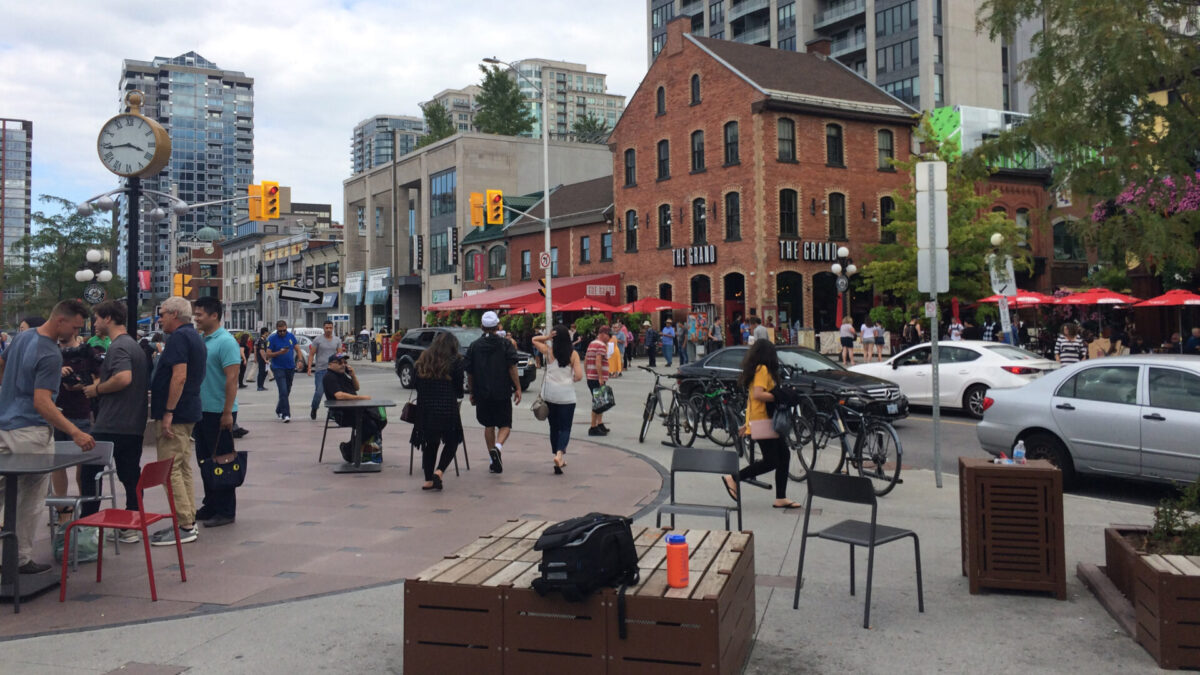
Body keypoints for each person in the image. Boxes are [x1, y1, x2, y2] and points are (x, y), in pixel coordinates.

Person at [0, 300, 96, 575]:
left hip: (5, 424)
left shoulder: (22, 337)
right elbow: (42, 402)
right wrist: (76, 431)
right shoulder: (52, 354)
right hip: (31, 430)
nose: (78, 332)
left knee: (4, 490)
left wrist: (6, 397)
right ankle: (18, 558)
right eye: (76, 326)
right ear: (60, 321)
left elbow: (1, 364)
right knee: (30, 497)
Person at [82, 300, 148, 542]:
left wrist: (97, 390)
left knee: (90, 474)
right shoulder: (134, 345)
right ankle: (132, 525)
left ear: (108, 318)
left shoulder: (119, 347)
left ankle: (87, 528)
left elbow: (123, 378)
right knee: (131, 476)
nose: (94, 322)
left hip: (112, 424)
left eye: (97, 318)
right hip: (133, 424)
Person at [148, 296, 206, 547]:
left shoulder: (180, 338)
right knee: (181, 467)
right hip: (188, 410)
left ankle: (184, 525)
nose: (159, 319)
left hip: (178, 412)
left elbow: (179, 376)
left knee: (170, 469)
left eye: (162, 314)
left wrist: (168, 411)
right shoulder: (194, 337)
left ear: (174, 314)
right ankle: (187, 519)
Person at [722, 339, 801, 509]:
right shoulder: (763, 369)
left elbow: (751, 399)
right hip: (764, 420)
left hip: (760, 419)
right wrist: (780, 396)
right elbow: (758, 395)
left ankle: (780, 497)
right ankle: (734, 477)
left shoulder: (756, 369)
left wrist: (747, 423)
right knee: (771, 461)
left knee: (783, 455)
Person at [186, 298, 241, 528]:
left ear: (214, 315)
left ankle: (226, 510)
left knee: (223, 461)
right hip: (202, 411)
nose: (196, 318)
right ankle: (211, 504)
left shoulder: (226, 342)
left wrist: (227, 412)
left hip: (219, 412)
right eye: (195, 314)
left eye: (199, 314)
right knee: (205, 461)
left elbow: (232, 379)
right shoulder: (203, 340)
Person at [48, 327, 100, 520]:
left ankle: (85, 510)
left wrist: (80, 384)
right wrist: (57, 371)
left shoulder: (87, 351)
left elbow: (99, 378)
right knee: (57, 465)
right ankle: (63, 510)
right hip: (55, 413)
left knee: (83, 467)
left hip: (80, 413)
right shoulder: (51, 351)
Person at [464, 311, 521, 473]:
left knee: (488, 424)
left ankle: (492, 457)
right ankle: (498, 447)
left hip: (482, 392)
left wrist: (472, 391)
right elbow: (512, 367)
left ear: (482, 327)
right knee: (505, 424)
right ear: (497, 326)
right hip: (502, 390)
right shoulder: (505, 344)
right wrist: (517, 387)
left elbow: (470, 372)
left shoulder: (474, 346)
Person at [413, 332, 465, 490]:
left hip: (425, 408)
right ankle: (439, 471)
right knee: (452, 440)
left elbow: (416, 383)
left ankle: (428, 479)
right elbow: (458, 389)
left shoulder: (424, 358)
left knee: (431, 442)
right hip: (447, 407)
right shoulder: (455, 361)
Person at [532, 324, 584, 474]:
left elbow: (534, 339)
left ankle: (557, 455)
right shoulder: (573, 354)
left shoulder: (549, 351)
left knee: (553, 427)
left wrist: (547, 338)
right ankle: (560, 454)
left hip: (550, 395)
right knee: (565, 427)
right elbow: (579, 376)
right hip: (566, 395)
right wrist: (570, 379)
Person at [323, 354, 386, 462]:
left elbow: (356, 387)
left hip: (355, 409)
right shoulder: (329, 377)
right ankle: (349, 449)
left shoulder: (342, 374)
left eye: (344, 362)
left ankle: (362, 450)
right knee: (370, 426)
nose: (343, 365)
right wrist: (361, 398)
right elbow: (339, 395)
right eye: (339, 362)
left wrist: (353, 375)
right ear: (330, 364)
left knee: (381, 420)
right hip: (343, 413)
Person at [265, 320, 301, 422]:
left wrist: (300, 360)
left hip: (290, 367)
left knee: (287, 390)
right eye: (280, 331)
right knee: (283, 390)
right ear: (277, 330)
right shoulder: (272, 339)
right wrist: (280, 353)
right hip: (278, 368)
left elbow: (297, 349)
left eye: (284, 330)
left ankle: (279, 409)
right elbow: (268, 354)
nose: (282, 333)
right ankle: (286, 414)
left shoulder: (290, 336)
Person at [308, 320, 342, 420]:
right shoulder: (317, 340)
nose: (328, 330)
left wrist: (341, 367)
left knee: (332, 393)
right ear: (323, 328)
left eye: (330, 328)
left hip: (333, 371)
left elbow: (339, 355)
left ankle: (332, 413)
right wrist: (309, 367)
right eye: (326, 328)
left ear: (333, 328)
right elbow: (311, 354)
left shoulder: (337, 340)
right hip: (320, 370)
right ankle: (314, 408)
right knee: (319, 392)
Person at [585, 325, 611, 436]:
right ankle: (593, 427)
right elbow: (598, 361)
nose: (609, 338)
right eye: (608, 335)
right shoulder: (601, 345)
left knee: (600, 401)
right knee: (598, 402)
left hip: (591, 377)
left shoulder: (592, 343)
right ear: (603, 334)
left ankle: (599, 424)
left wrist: (587, 373)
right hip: (597, 378)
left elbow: (586, 360)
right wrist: (600, 377)